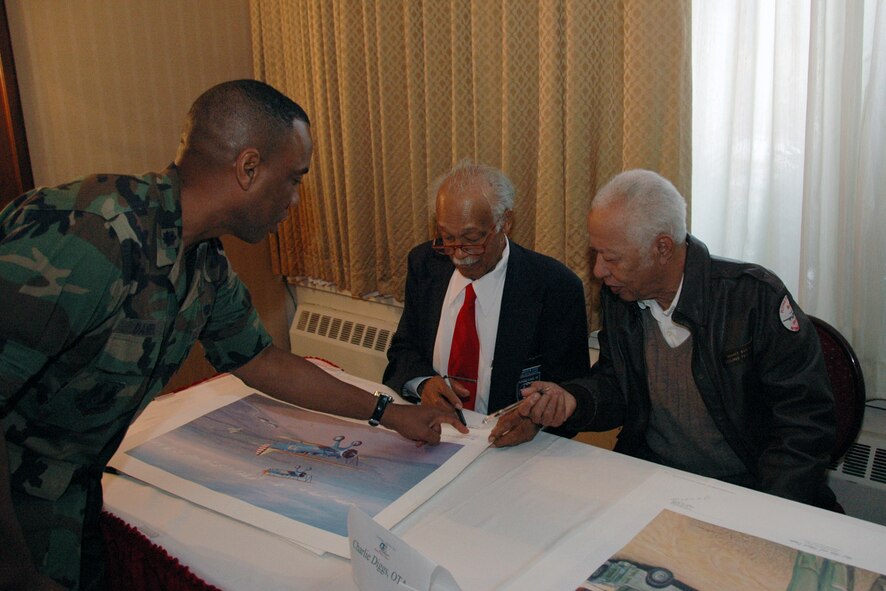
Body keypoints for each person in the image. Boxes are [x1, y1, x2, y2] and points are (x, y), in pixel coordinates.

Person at [0, 79, 467, 591]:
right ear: (248, 168)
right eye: (293, 179)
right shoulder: (85, 235)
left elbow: (263, 360)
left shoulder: (203, 261)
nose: (295, 198)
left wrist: (391, 413)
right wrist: (15, 572)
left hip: (68, 499)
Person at [505, 168, 837, 509]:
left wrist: (769, 513)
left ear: (662, 248)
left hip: (748, 488)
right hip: (652, 481)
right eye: (596, 255)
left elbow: (804, 422)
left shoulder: (752, 299)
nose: (598, 272)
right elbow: (616, 385)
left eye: (612, 258)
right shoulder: (623, 296)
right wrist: (572, 400)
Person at [383, 160, 590, 446]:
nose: (458, 254)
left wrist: (534, 420)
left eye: (471, 239)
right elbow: (403, 349)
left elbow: (570, 390)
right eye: (446, 237)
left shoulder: (554, 287)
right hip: (435, 436)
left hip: (515, 449)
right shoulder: (425, 264)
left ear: (505, 222)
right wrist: (422, 384)